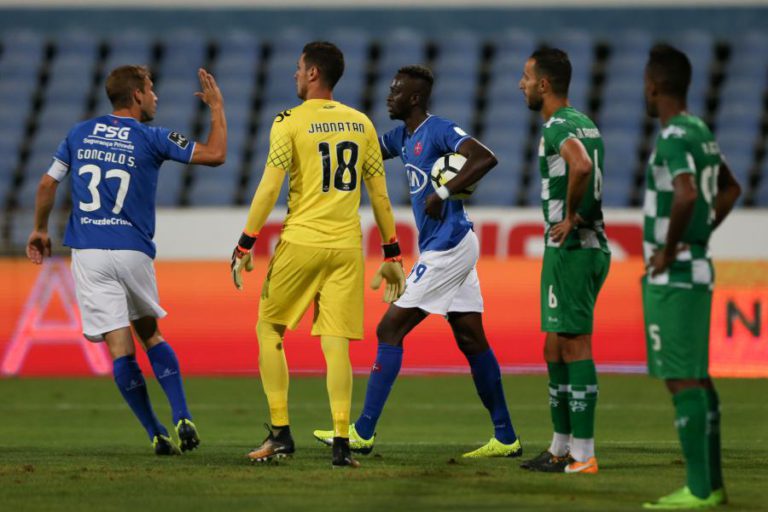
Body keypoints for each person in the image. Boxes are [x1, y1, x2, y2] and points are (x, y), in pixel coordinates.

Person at [313, 65, 522, 458]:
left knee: (389, 328)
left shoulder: (439, 129)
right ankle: (506, 437)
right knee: (471, 338)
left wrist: (442, 193)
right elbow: (364, 153)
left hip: (449, 245)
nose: (388, 97)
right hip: (445, 244)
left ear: (413, 98)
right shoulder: (403, 138)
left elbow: (485, 158)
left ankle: (363, 432)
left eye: (395, 91)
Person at [26, 65, 227, 454]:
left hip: (89, 252)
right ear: (136, 95)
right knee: (150, 334)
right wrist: (217, 108)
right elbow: (216, 154)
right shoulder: (152, 137)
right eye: (151, 90)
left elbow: (47, 183)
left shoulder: (78, 133)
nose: (155, 97)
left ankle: (155, 432)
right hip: (132, 250)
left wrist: (39, 229)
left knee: (120, 349)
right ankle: (182, 413)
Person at [229, 41, 405, 468]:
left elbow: (269, 187)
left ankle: (280, 434)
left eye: (298, 68)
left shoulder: (288, 121)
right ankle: (342, 443)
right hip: (347, 248)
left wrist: (245, 243)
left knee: (268, 329)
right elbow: (379, 195)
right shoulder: (361, 123)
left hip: (302, 243)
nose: (294, 75)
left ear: (312, 74)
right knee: (336, 345)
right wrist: (393, 252)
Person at [640, 44, 740, 510]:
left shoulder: (674, 135)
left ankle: (699, 490)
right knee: (697, 377)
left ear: (654, 86)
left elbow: (683, 195)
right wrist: (699, 233)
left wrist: (670, 246)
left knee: (681, 378)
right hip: (695, 264)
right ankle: (712, 484)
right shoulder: (701, 131)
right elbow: (730, 188)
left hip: (677, 272)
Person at [517, 48, 610, 474]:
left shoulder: (557, 127)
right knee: (553, 343)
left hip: (573, 249)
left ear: (544, 85)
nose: (521, 84)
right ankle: (560, 448)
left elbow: (581, 165)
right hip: (577, 249)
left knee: (573, 343)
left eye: (526, 77)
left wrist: (570, 217)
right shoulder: (585, 122)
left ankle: (583, 453)